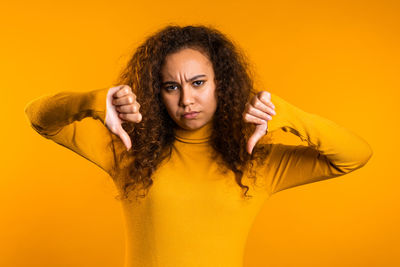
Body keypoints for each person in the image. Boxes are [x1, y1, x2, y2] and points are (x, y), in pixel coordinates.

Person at [24, 24, 373, 267]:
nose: (187, 99)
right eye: (171, 87)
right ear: (156, 93)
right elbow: (38, 116)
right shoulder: (129, 149)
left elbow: (356, 155)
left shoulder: (256, 161)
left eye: (198, 82)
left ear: (222, 84)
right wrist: (95, 101)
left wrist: (288, 114)